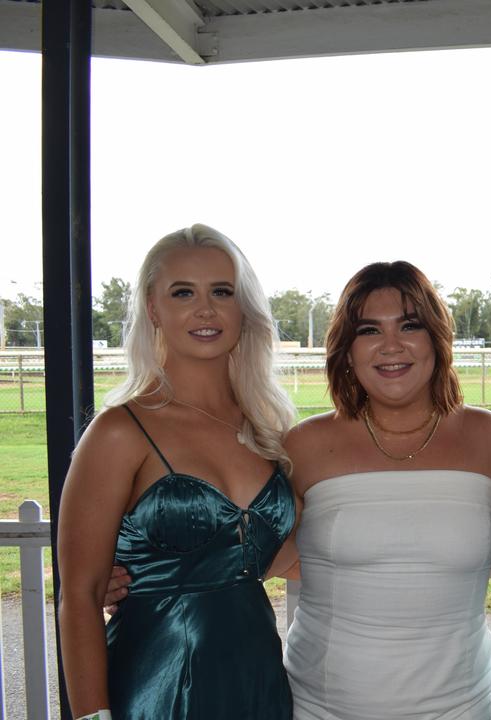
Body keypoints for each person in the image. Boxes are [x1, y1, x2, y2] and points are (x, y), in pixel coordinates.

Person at [58, 224, 298, 719]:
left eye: (222, 292)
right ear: (153, 308)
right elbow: (79, 594)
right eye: (183, 292)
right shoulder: (120, 432)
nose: (205, 309)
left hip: (257, 678)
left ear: (242, 308)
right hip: (156, 683)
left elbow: (303, 551)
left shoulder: (269, 430)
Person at [282, 260, 491, 719]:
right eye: (369, 330)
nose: (391, 345)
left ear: (437, 339)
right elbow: (244, 554)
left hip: (460, 708)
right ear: (347, 351)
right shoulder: (304, 446)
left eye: (410, 325)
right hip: (320, 708)